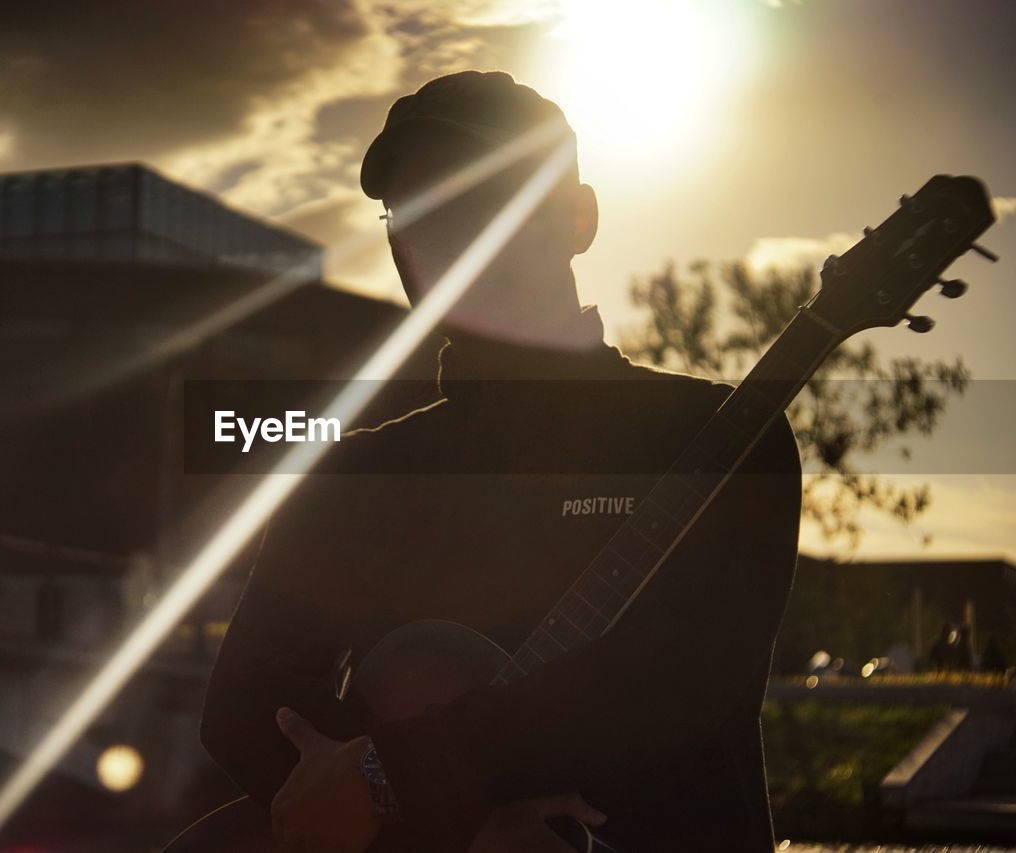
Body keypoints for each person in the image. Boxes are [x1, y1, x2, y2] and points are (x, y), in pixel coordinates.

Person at [196, 70, 802, 852]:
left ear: (577, 219)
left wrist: (403, 779)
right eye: (411, 210)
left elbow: (672, 683)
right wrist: (450, 815)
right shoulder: (355, 474)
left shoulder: (716, 436)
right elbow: (245, 705)